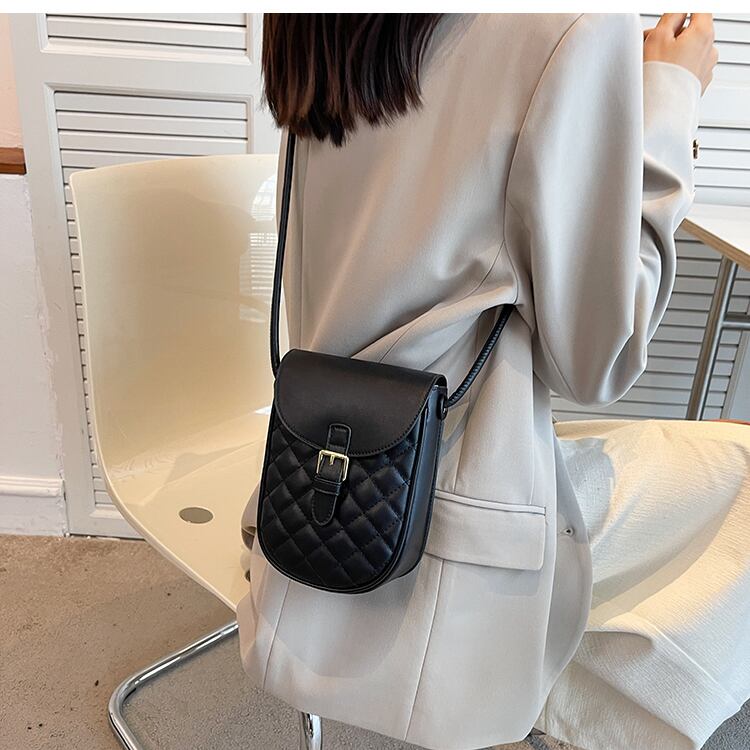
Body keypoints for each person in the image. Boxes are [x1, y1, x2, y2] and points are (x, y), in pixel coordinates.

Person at [238, 13, 748, 750]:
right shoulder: (569, 25)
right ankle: (562, 706)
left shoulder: (319, 21)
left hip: (316, 478)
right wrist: (668, 98)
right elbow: (599, 362)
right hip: (453, 513)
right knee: (741, 466)